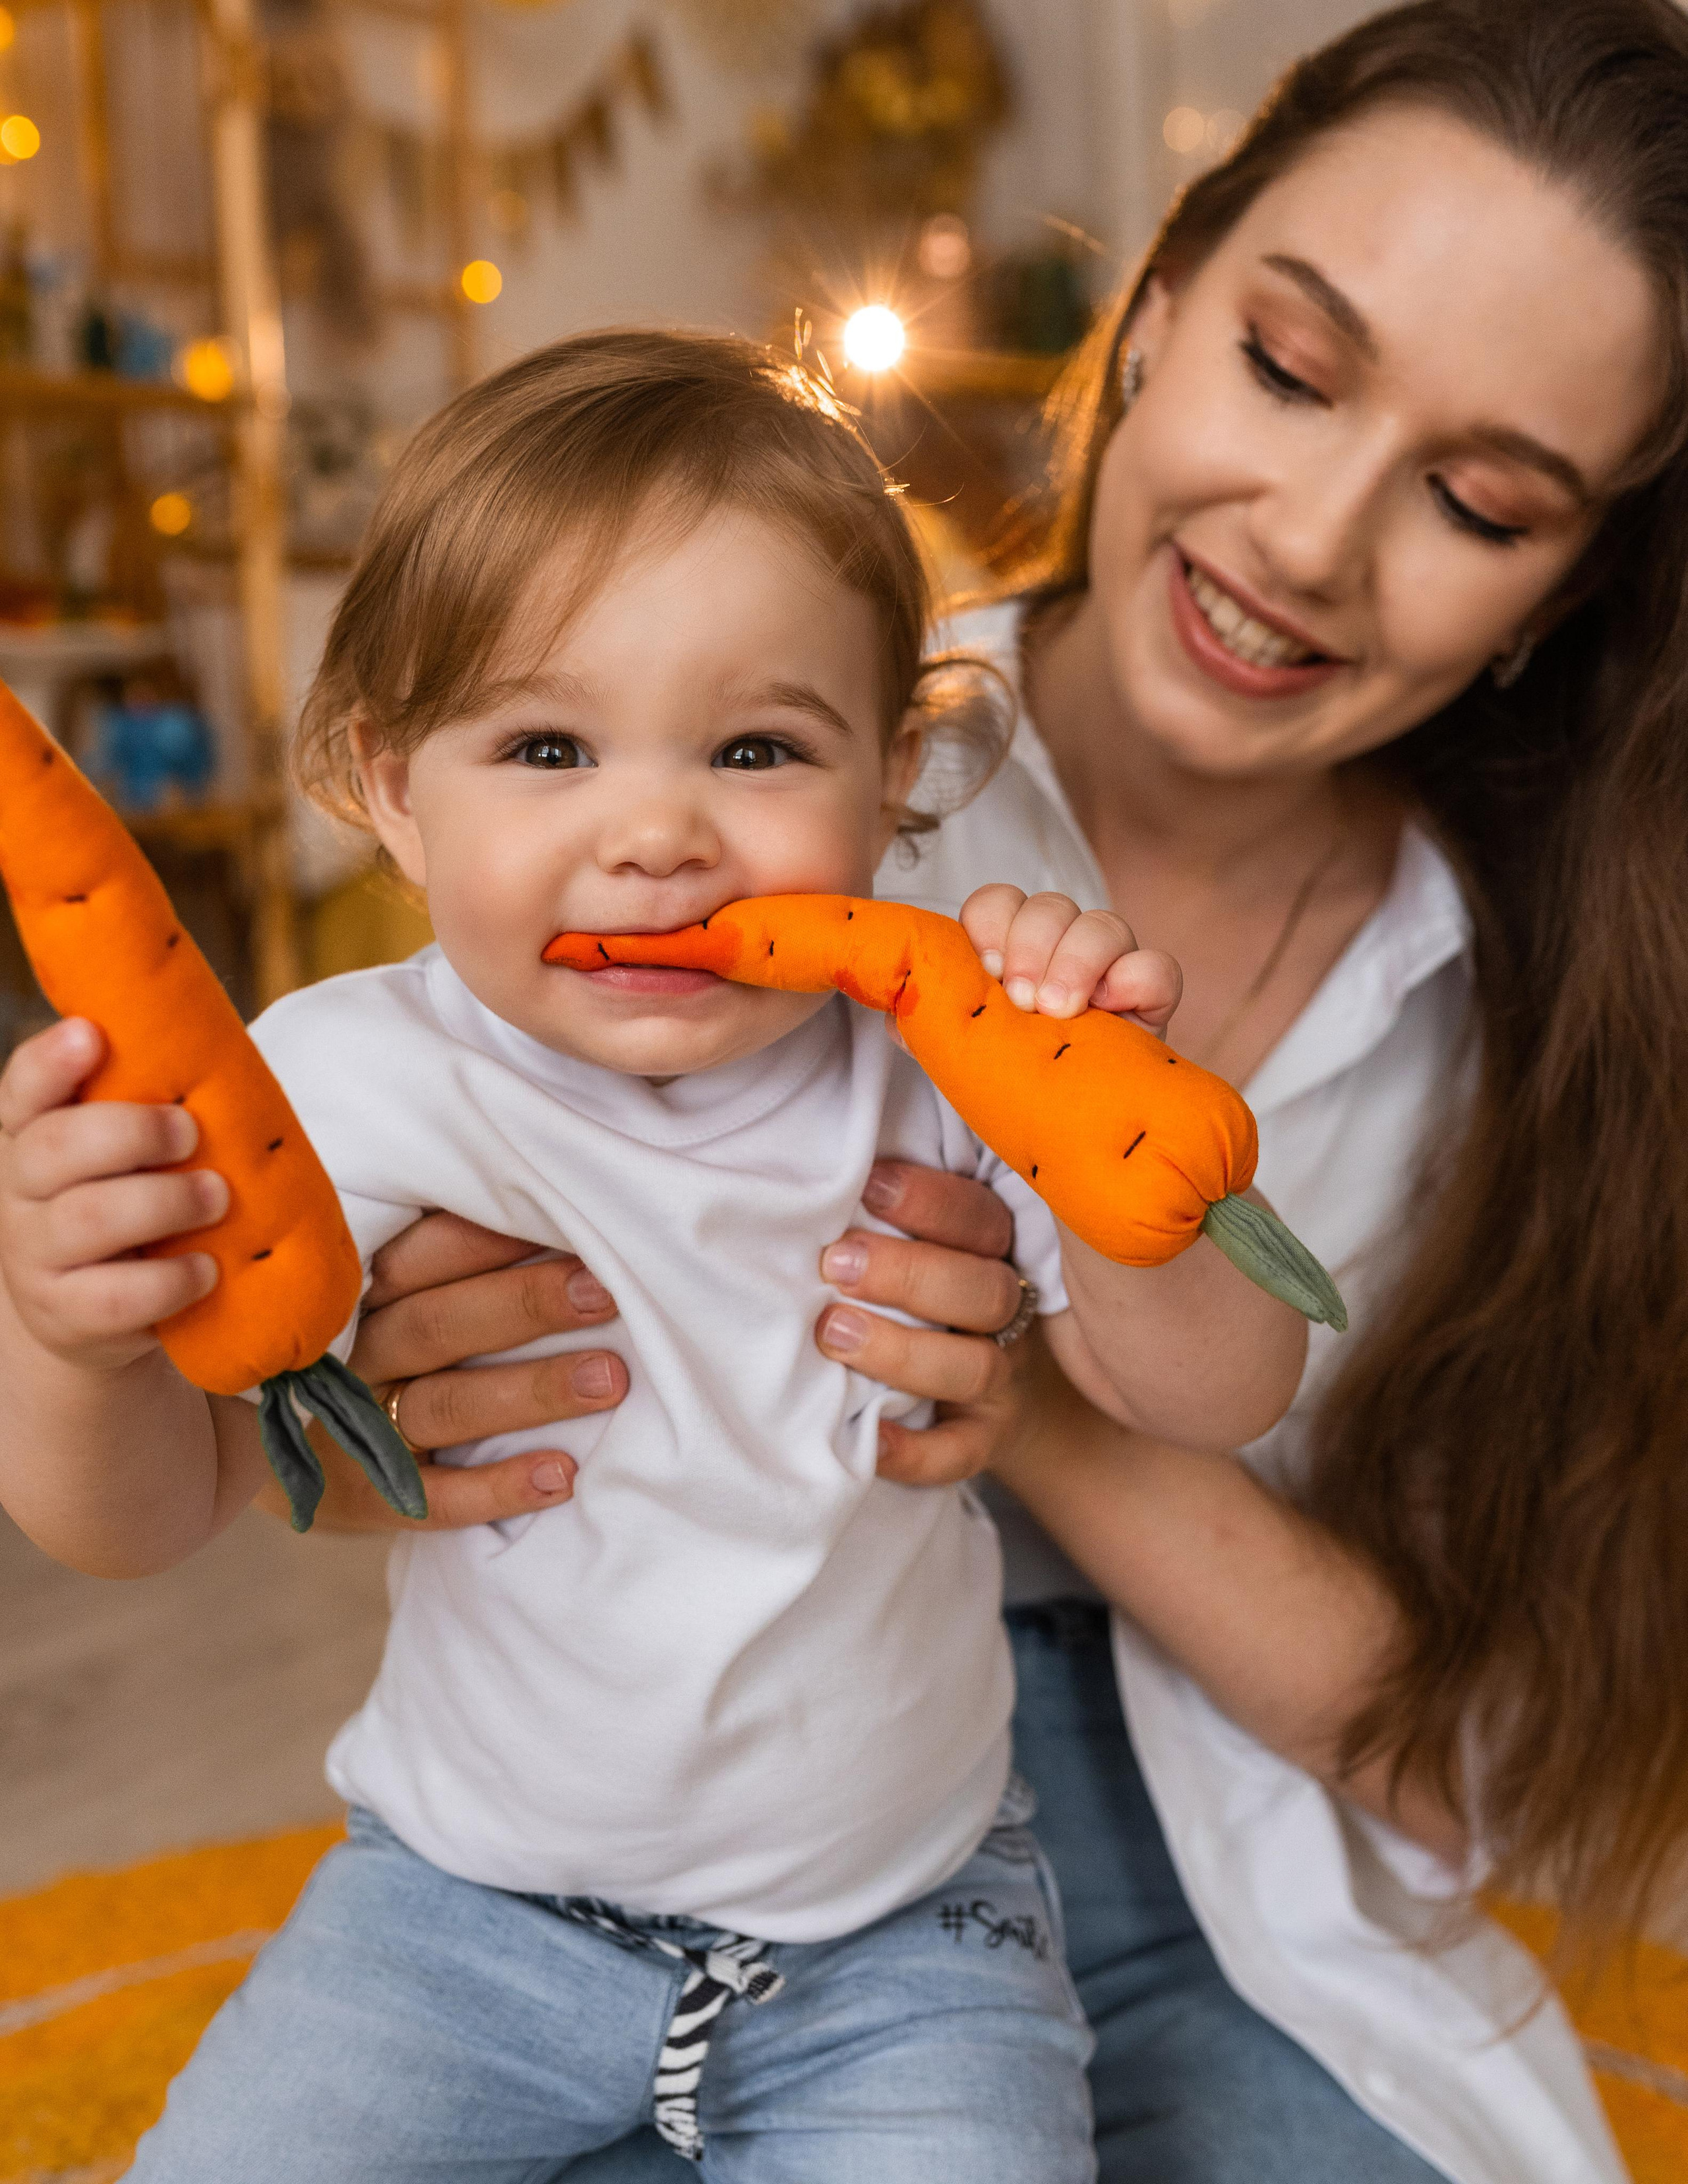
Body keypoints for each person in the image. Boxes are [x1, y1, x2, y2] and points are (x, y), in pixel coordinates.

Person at [253, 6, 1688, 2181]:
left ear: (1563, 587)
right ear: (1161, 308)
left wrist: (1030, 1393)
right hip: (630, 1829)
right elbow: (310, 1425)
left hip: (1193, 1866)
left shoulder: (1582, 998)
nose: (1307, 536)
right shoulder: (748, 733)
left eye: (1478, 502)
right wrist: (374, 1423)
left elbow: (1479, 1763)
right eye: (1289, 371)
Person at [0, 331, 1311, 2177]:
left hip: (906, 1940)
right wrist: (74, 1344)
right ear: (392, 784)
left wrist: (1128, 1143)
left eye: (759, 746)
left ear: (897, 776)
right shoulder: (342, 1083)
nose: (657, 835)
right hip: (461, 1923)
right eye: (546, 746)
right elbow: (151, 1510)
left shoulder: (949, 1054)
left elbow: (1218, 1387)